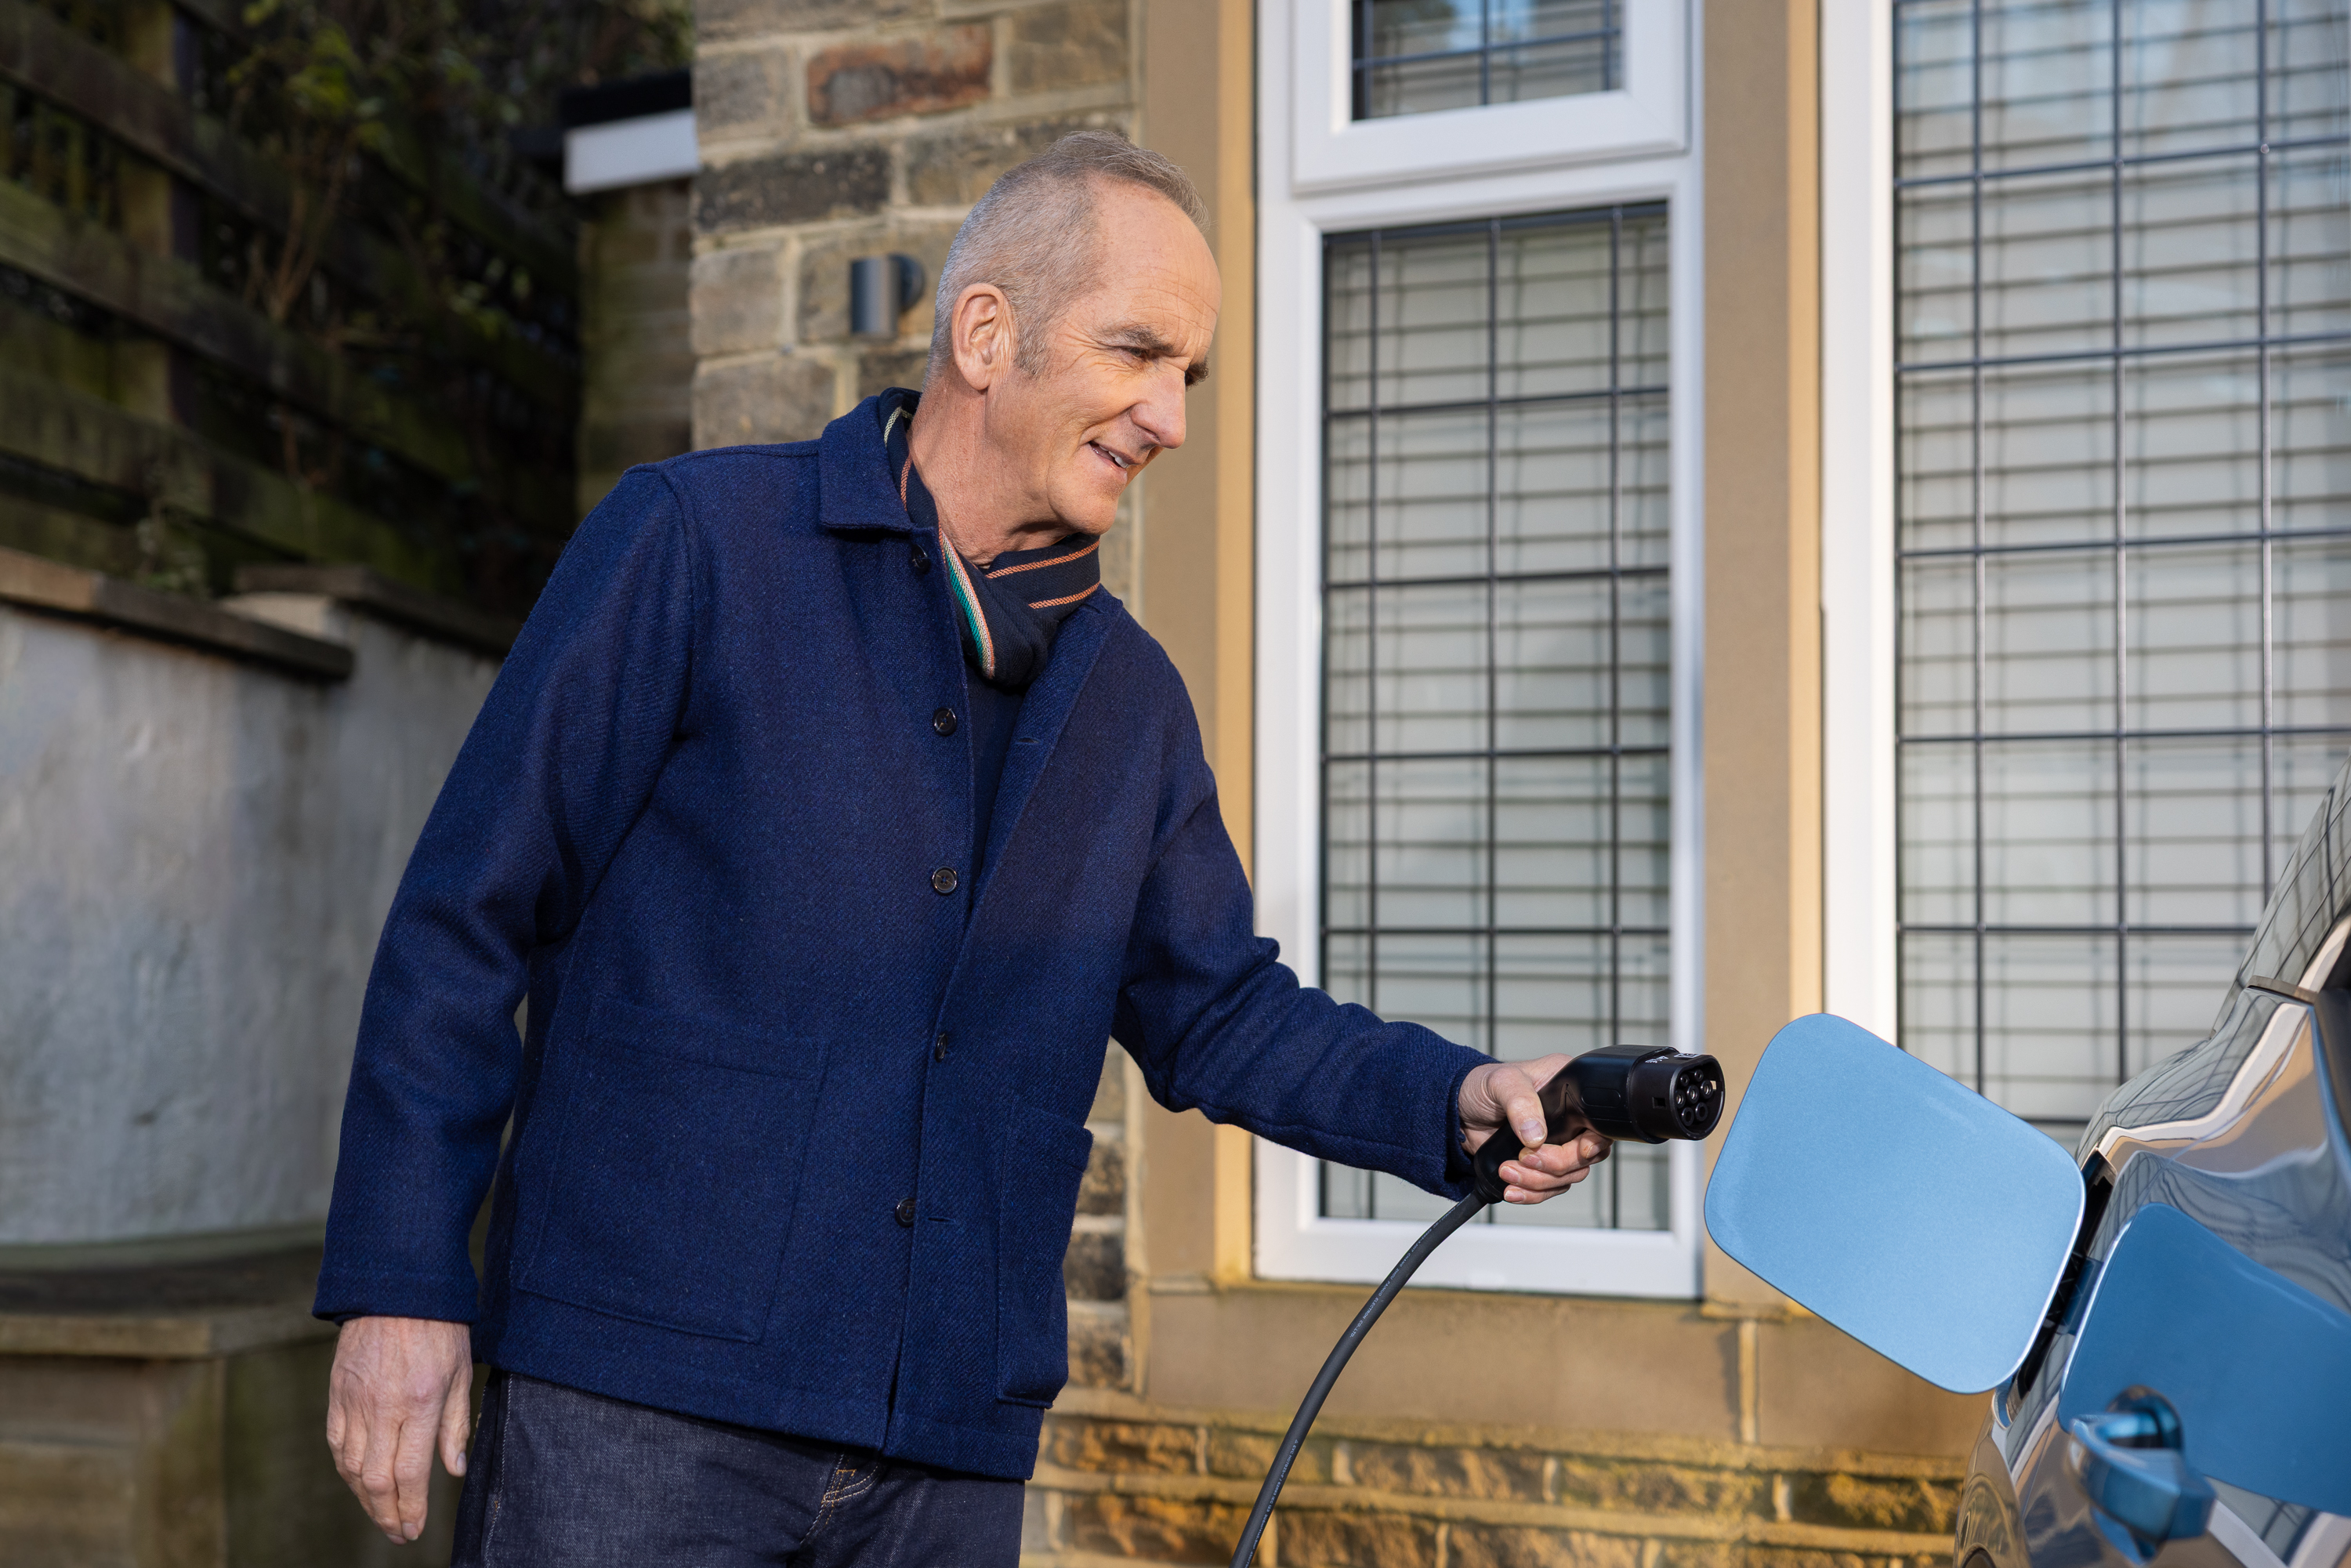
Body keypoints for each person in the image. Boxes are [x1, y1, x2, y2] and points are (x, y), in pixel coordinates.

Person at [316, 130, 1611, 1566]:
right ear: (988, 333)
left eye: (1189, 374)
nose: (1170, 417)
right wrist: (402, 1279)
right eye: (1140, 352)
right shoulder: (695, 544)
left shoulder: (1131, 703)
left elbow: (1222, 1010)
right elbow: (466, 913)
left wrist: (1459, 1099)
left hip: (944, 1454)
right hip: (636, 1408)